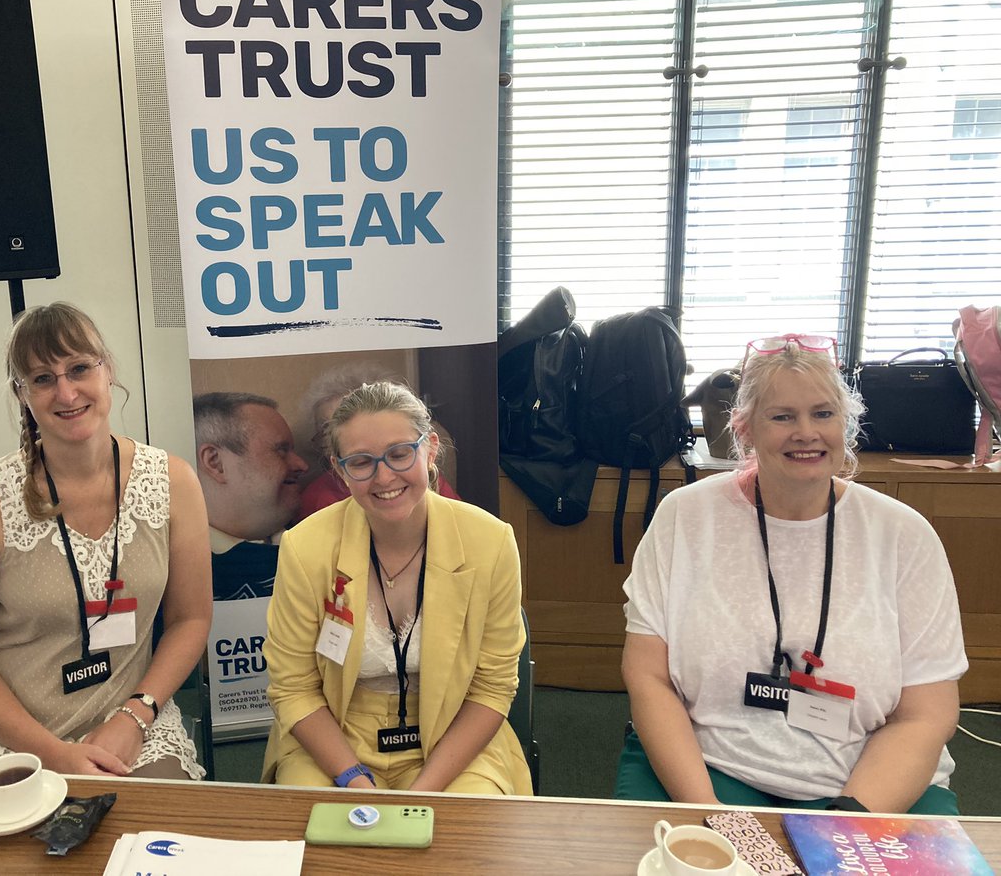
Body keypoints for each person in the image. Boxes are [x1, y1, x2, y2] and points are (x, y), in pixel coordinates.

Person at [618, 334, 967, 814]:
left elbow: (926, 714)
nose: (806, 432)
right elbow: (647, 675)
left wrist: (847, 823)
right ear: (745, 429)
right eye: (782, 416)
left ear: (846, 424)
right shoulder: (684, 517)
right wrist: (709, 814)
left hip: (872, 781)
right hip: (709, 768)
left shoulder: (905, 535)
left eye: (823, 413)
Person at [0, 303, 212, 779]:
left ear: (108, 370)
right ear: (22, 394)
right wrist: (55, 756)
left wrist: (136, 714)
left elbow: (190, 619)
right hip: (2, 732)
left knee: (156, 841)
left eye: (79, 368)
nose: (66, 391)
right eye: (42, 378)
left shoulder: (173, 483)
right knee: (13, 848)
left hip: (126, 718)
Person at [262, 381, 532, 794]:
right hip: (334, 734)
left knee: (461, 843)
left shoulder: (490, 543)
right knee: (319, 839)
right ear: (339, 469)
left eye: (400, 453)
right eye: (361, 462)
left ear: (431, 449)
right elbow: (294, 686)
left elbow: (492, 688)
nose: (383, 476)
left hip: (454, 736)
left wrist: (425, 791)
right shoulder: (305, 547)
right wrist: (352, 778)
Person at [297, 364, 460, 520]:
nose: (384, 478)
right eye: (326, 431)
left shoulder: (426, 479)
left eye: (398, 455)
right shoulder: (319, 499)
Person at [193, 392, 308, 600]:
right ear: (215, 462)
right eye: (281, 451)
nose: (302, 465)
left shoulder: (321, 546)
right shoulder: (174, 569)